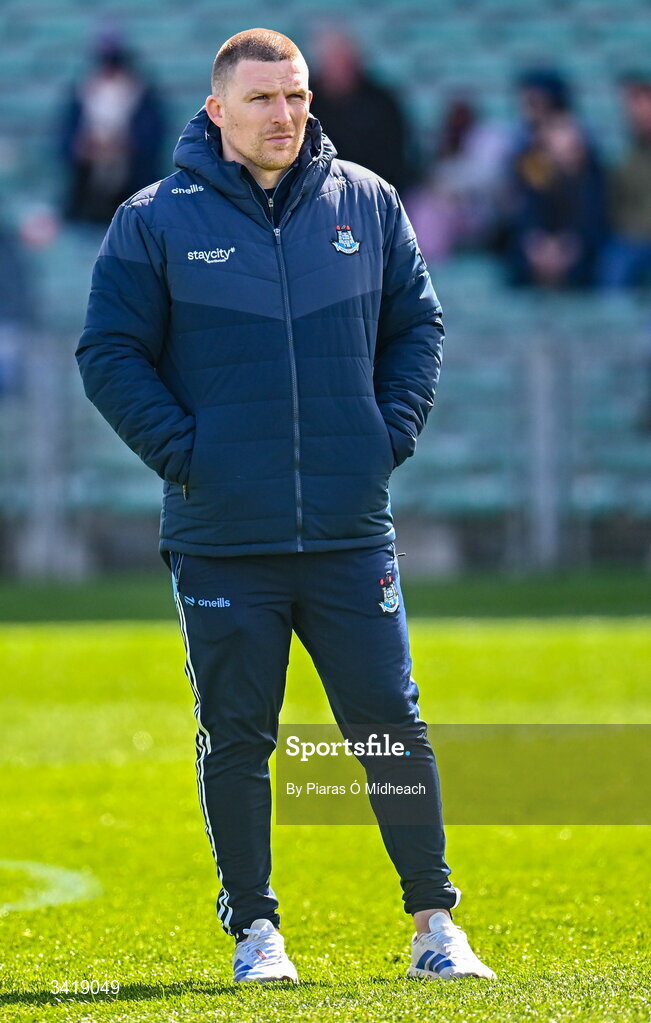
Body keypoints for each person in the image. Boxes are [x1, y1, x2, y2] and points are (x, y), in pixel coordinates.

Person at [76, 28, 495, 985]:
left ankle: (435, 924)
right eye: (262, 98)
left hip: (348, 530)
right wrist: (190, 458)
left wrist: (383, 437)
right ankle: (257, 930)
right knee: (240, 736)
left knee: (389, 724)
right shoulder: (155, 219)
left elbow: (417, 325)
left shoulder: (369, 203)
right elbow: (108, 354)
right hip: (224, 534)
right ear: (217, 108)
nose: (284, 114)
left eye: (297, 95)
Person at [60, 34, 165, 226]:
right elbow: (67, 142)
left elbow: (152, 139)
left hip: (133, 187)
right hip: (87, 191)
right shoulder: (83, 94)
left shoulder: (142, 95)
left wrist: (125, 145)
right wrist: (85, 147)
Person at [599, 74, 651, 288]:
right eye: (630, 105)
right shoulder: (624, 157)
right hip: (633, 240)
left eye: (641, 103)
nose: (635, 112)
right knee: (614, 266)